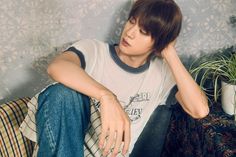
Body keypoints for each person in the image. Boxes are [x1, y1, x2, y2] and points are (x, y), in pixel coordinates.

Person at [20, 0, 209, 156]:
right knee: (61, 93)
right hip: (68, 150)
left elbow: (199, 110)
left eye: (143, 31)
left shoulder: (161, 75)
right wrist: (106, 96)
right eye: (132, 21)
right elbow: (57, 67)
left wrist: (169, 51)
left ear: (159, 42)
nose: (130, 32)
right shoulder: (94, 50)